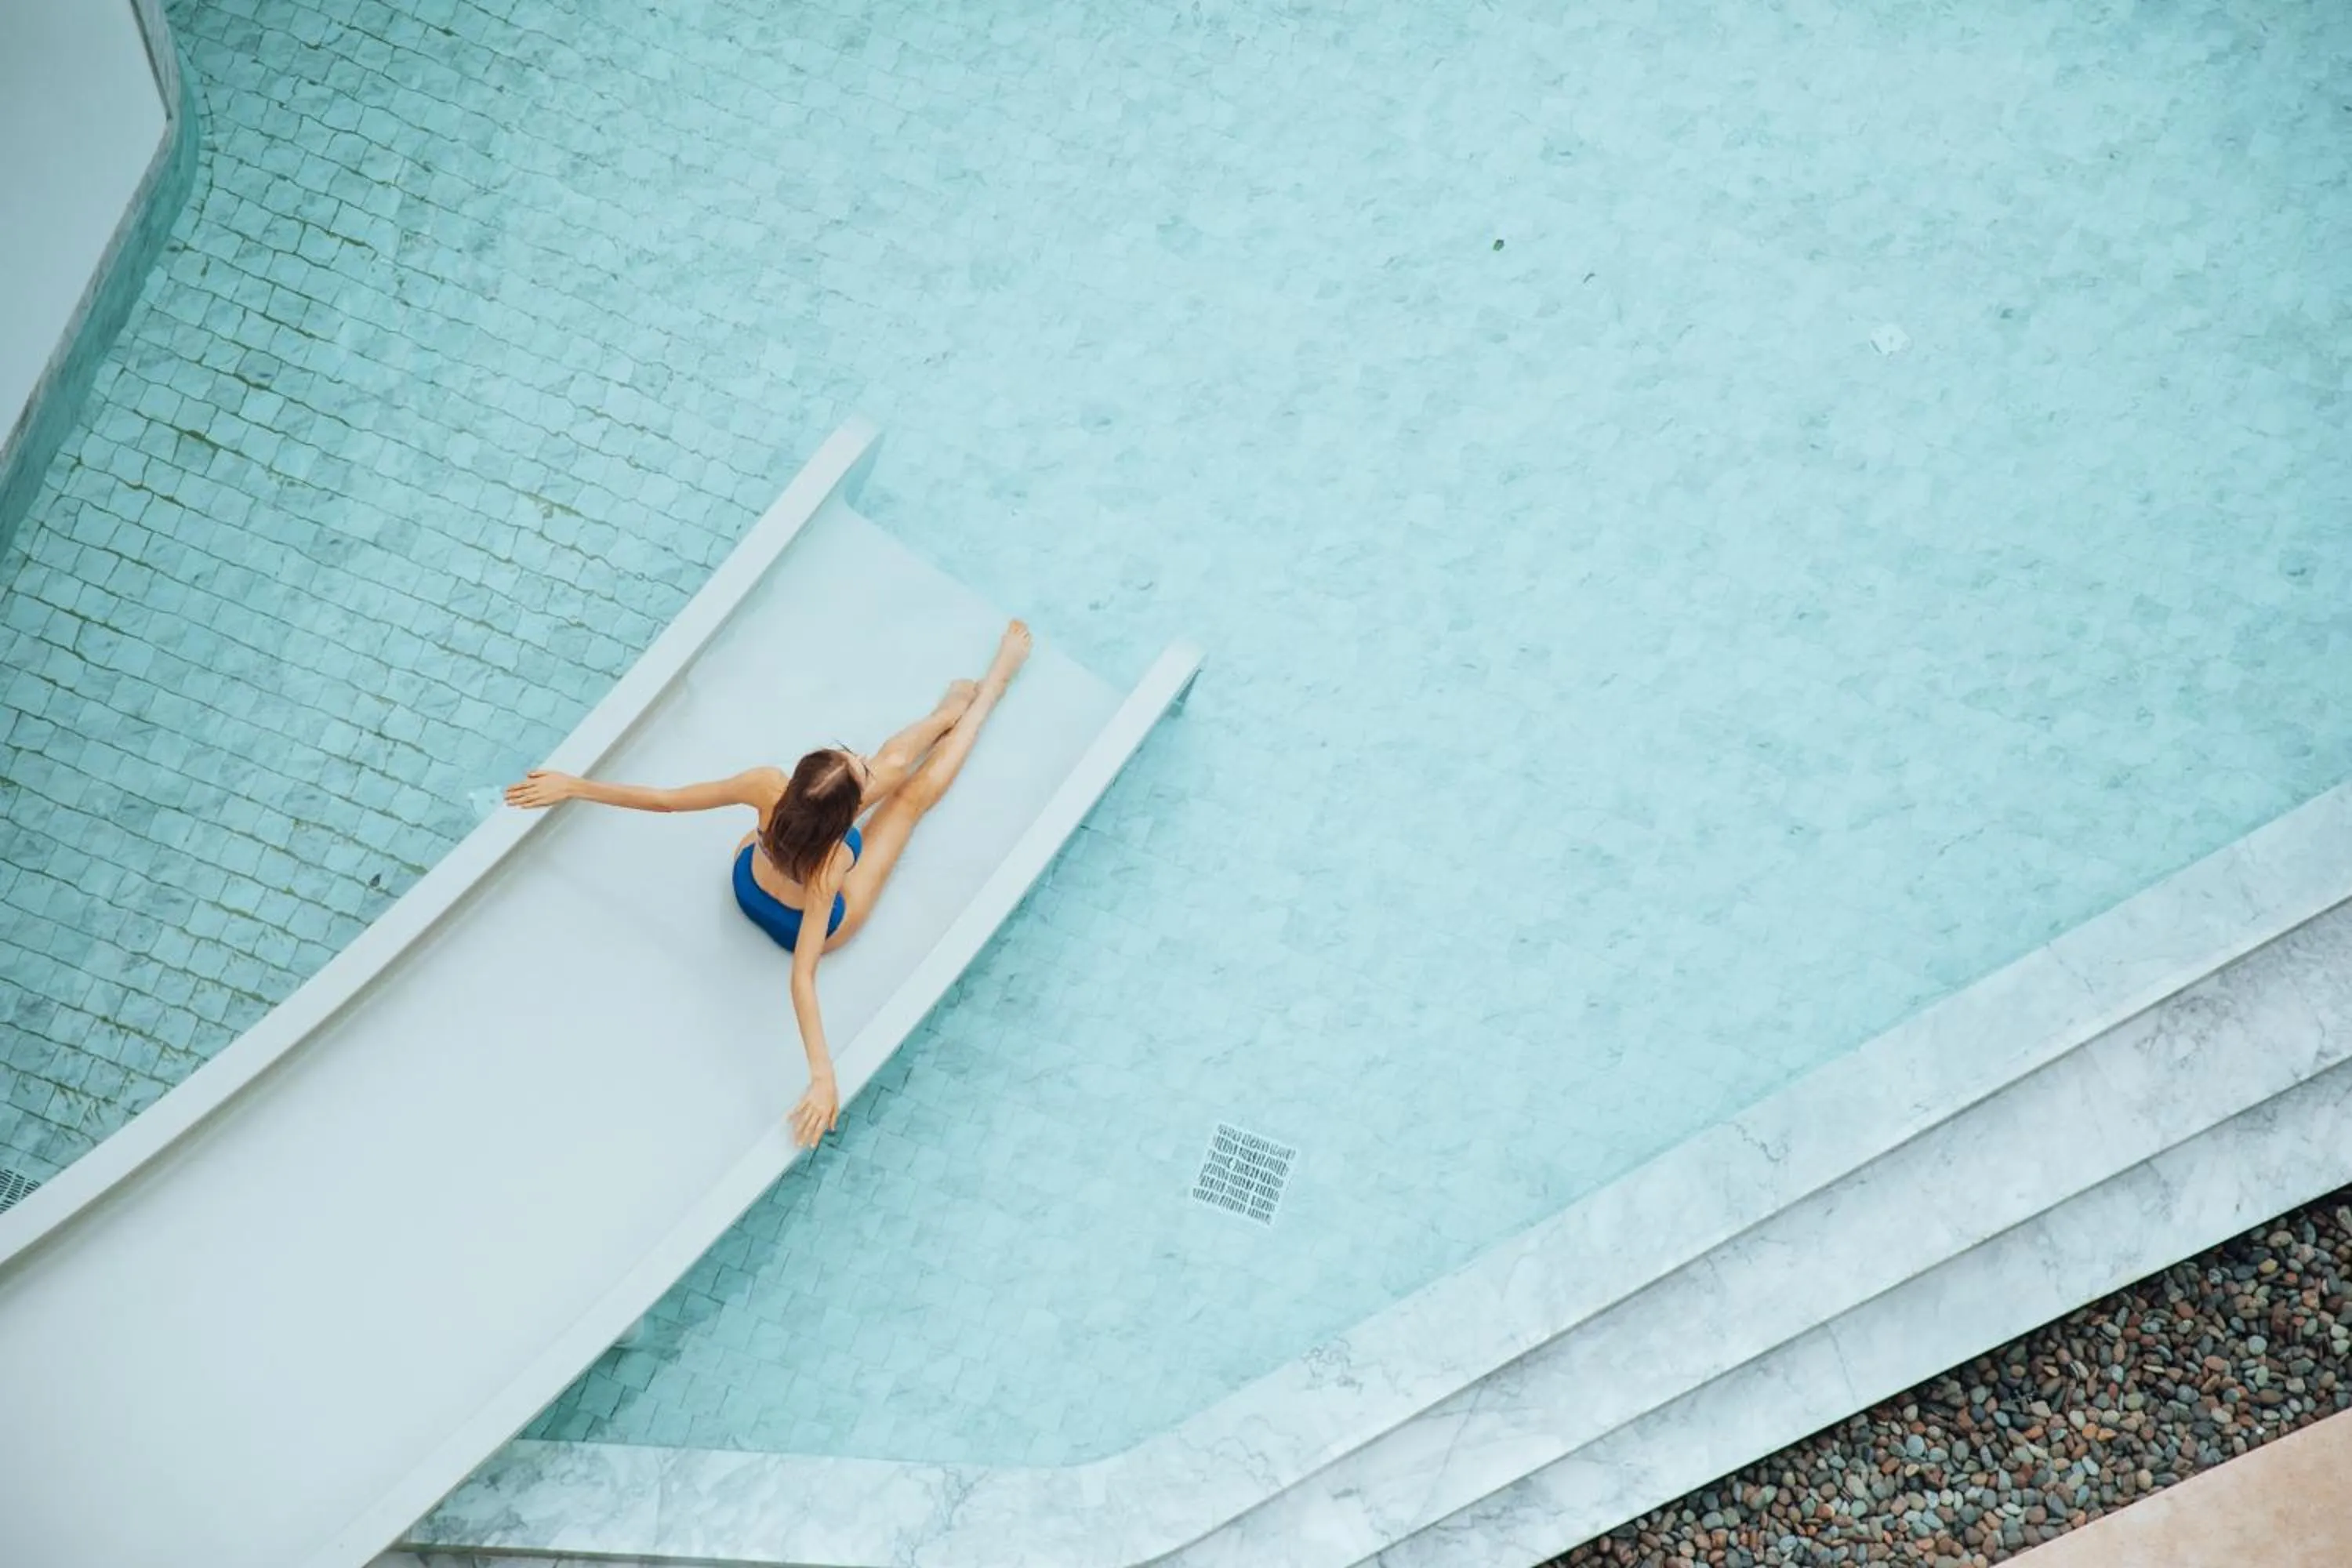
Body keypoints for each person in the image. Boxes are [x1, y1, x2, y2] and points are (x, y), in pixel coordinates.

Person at [504, 621, 1033, 1146]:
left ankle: (944, 712)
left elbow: (665, 802)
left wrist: (575, 785)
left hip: (748, 884)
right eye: (855, 764)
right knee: (908, 798)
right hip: (807, 922)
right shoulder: (830, 870)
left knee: (886, 767)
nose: (859, 760)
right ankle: (987, 696)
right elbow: (802, 975)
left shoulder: (766, 786)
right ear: (845, 820)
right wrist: (823, 1076)